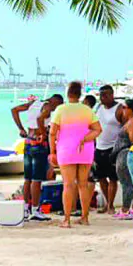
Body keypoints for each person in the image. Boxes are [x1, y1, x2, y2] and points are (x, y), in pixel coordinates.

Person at [50, 81, 102, 229]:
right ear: (80, 94)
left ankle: (67, 220)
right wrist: (86, 138)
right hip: (85, 149)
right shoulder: (87, 110)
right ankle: (85, 217)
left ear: (68, 93)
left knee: (68, 184)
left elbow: (52, 132)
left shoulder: (61, 109)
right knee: (83, 184)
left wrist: (52, 151)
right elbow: (98, 129)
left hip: (66, 149)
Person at [12, 94, 63, 221]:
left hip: (28, 142)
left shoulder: (34, 103)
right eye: (57, 106)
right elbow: (40, 119)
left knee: (27, 179)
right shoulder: (47, 106)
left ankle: (25, 209)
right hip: (39, 144)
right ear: (55, 102)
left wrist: (21, 129)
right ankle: (35, 210)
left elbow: (14, 110)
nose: (55, 110)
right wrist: (44, 134)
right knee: (37, 179)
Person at [93, 85, 124, 214]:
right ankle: (107, 203)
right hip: (99, 146)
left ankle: (111, 205)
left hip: (113, 148)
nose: (102, 98)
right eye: (101, 95)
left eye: (105, 95)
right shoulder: (98, 108)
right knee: (101, 177)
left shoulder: (119, 108)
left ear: (112, 95)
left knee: (112, 178)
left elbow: (125, 127)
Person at [114, 100, 133, 219]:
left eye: (124, 107)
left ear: (130, 109)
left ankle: (125, 210)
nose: (122, 110)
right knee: (130, 182)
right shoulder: (132, 121)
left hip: (126, 153)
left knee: (127, 183)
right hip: (125, 153)